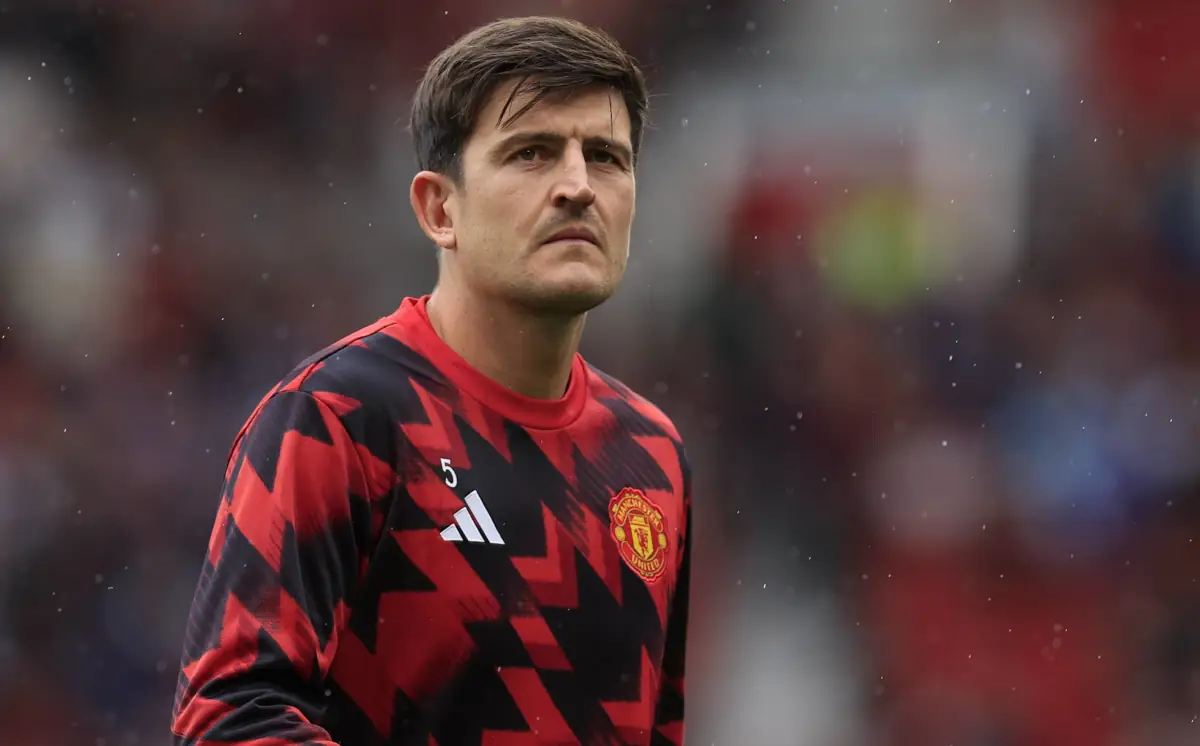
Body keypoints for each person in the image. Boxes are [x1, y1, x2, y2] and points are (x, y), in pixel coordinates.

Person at [170, 16, 692, 746]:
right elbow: (228, 719)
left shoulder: (652, 455)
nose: (578, 186)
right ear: (439, 209)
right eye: (532, 153)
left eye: (605, 157)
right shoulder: (339, 418)